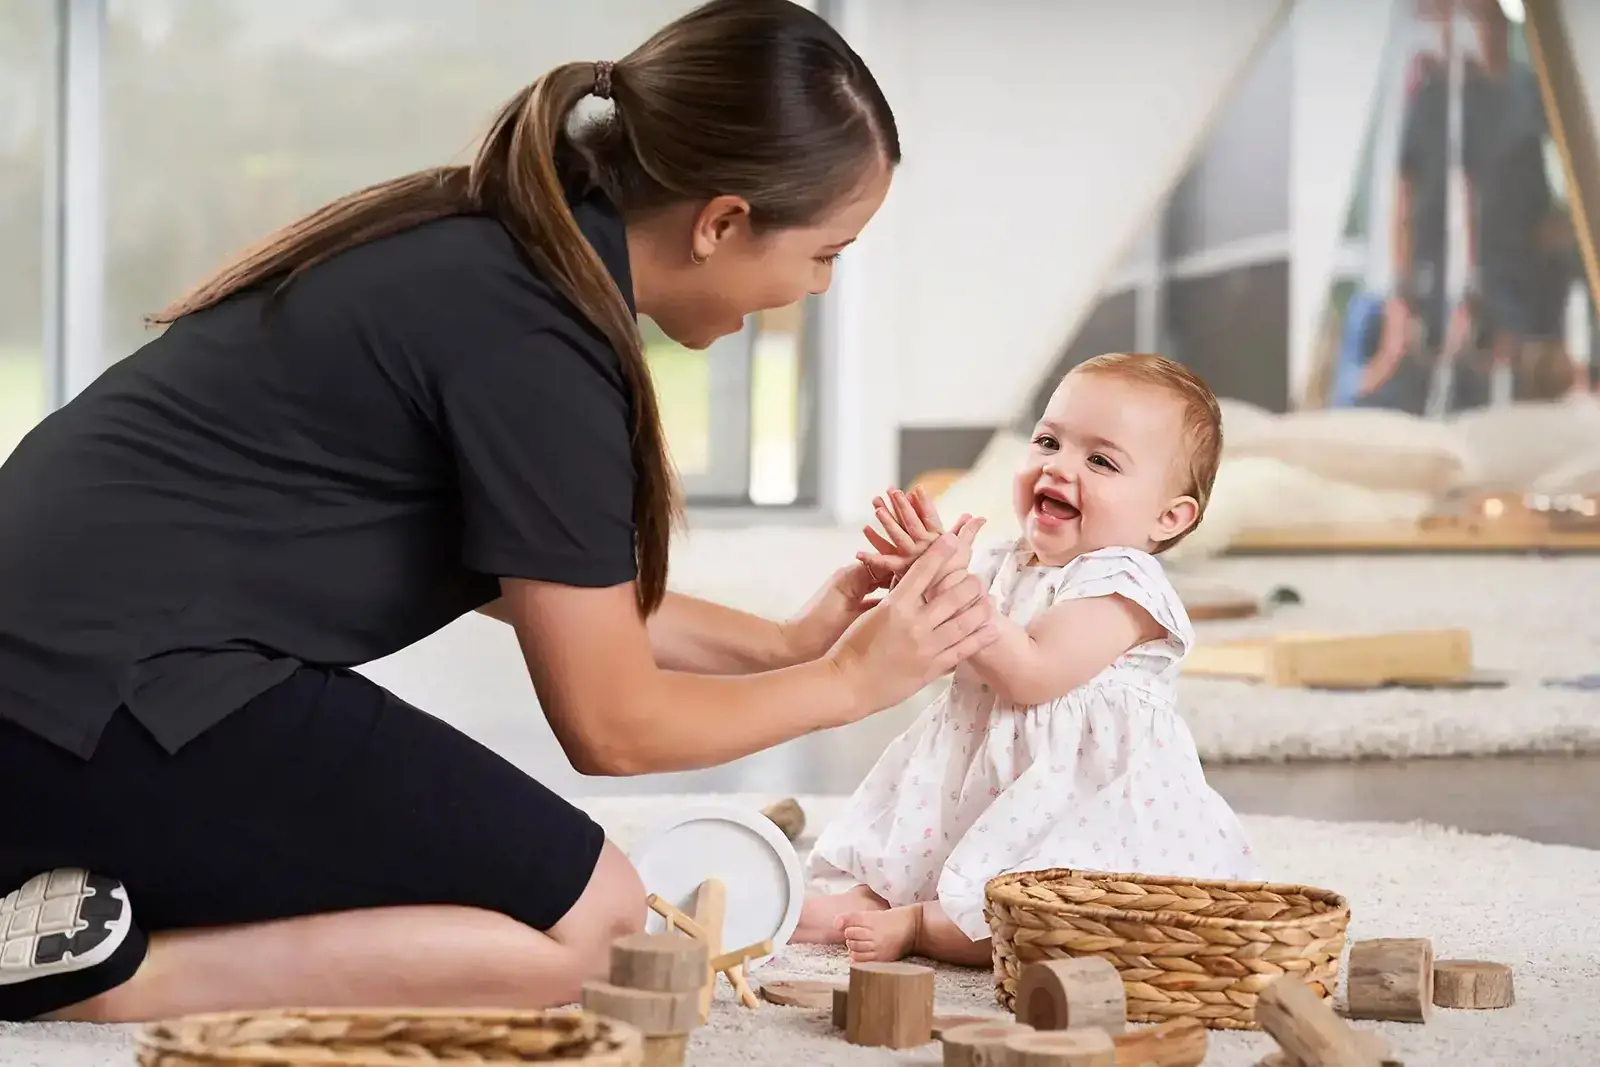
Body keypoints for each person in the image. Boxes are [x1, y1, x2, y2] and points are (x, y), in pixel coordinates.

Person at [0, 0, 1001, 1024]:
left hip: (69, 683)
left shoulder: (508, 250)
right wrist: (847, 683)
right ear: (722, 223)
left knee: (534, 897)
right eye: (827, 252)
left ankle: (73, 882)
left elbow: (566, 595)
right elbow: (612, 724)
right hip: (95, 706)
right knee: (601, 933)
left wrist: (788, 645)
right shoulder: (538, 342)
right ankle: (100, 974)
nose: (820, 287)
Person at [796, 354, 1261, 965]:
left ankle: (920, 926)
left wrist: (952, 588)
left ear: (1167, 516)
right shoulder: (1006, 559)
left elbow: (1033, 673)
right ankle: (860, 904)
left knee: (1035, 916)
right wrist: (915, 589)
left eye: (1100, 461)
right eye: (1048, 441)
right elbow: (949, 649)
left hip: (1077, 797)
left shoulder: (1126, 586)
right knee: (906, 856)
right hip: (980, 777)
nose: (1058, 467)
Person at [1361, 0, 1583, 412]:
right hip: (1447, 287)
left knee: (1511, 394)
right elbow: (1407, 198)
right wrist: (1403, 299)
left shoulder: (1527, 92)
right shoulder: (1433, 98)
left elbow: (1553, 180)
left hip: (1515, 281)